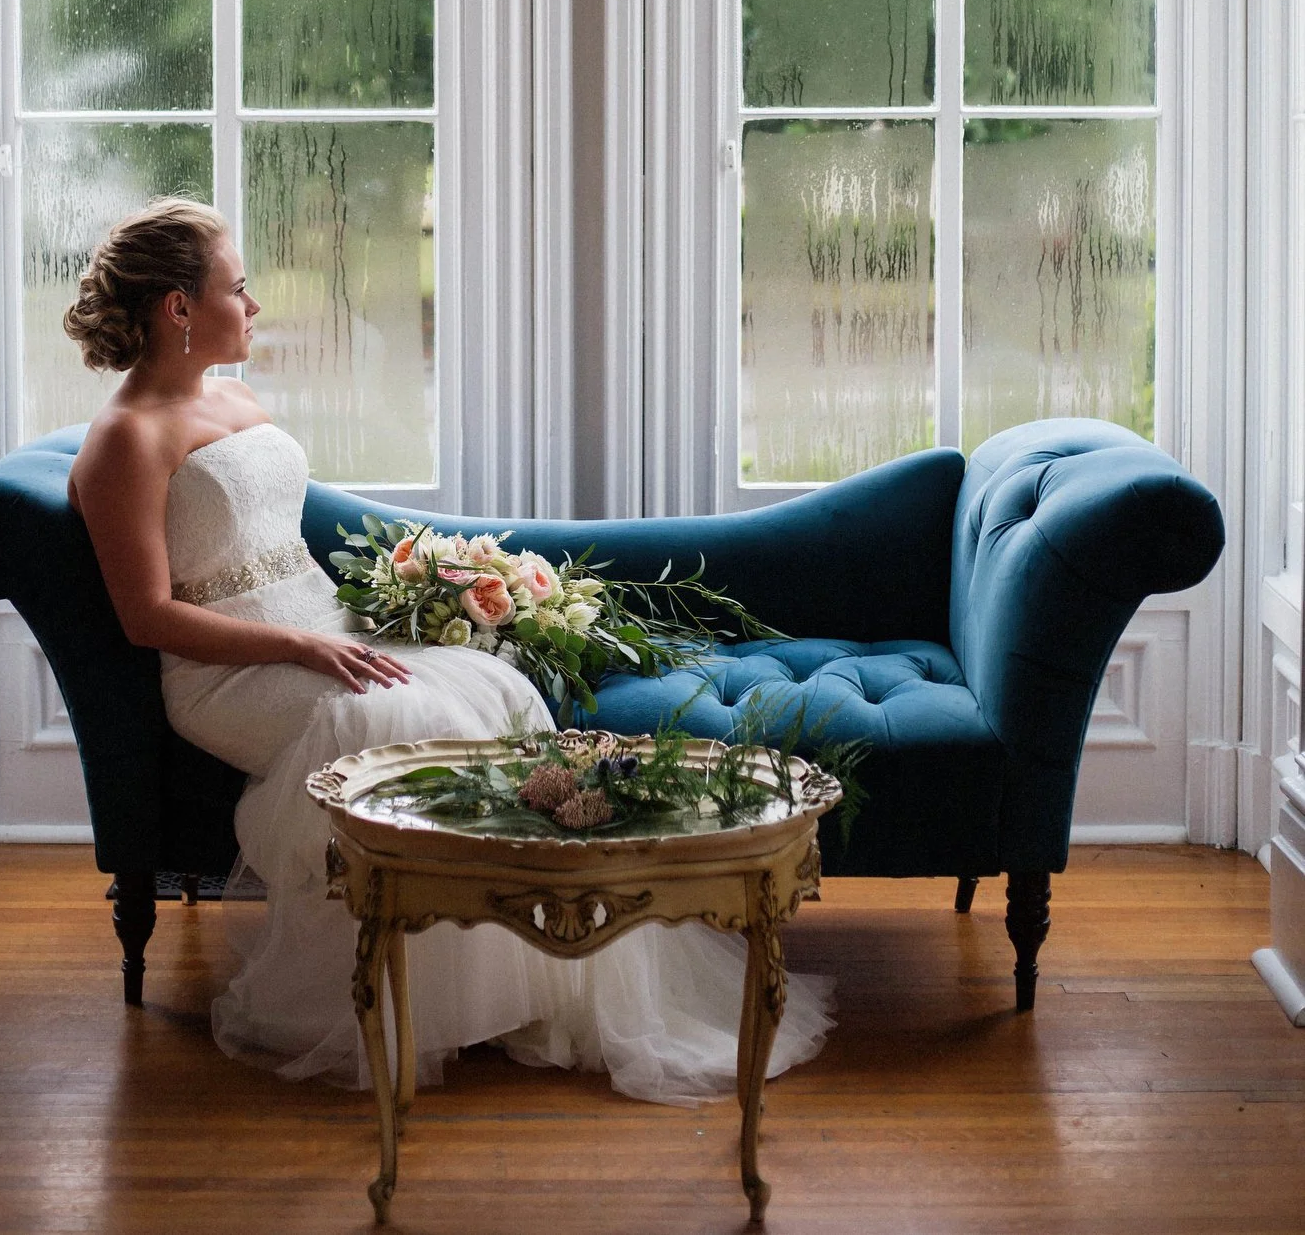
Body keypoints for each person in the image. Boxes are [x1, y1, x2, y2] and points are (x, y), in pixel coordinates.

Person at [64, 197, 832, 1102]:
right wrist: (303, 652)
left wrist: (399, 601)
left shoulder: (233, 396)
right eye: (239, 287)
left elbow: (288, 540)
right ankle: (425, 1003)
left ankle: (537, 978)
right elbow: (147, 617)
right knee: (403, 718)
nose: (256, 305)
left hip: (325, 628)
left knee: (495, 687)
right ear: (178, 309)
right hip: (231, 672)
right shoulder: (123, 441)